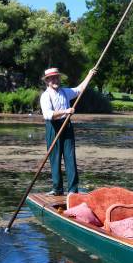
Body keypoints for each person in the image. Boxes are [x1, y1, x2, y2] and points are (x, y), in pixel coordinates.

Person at [40, 67, 96, 196]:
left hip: (67, 126)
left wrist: (89, 75)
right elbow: (48, 115)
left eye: (57, 77)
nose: (55, 80)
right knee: (55, 158)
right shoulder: (45, 96)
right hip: (53, 127)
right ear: (47, 81)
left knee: (70, 158)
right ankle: (57, 189)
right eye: (52, 78)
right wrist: (66, 111)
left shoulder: (65, 92)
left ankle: (72, 190)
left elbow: (79, 90)